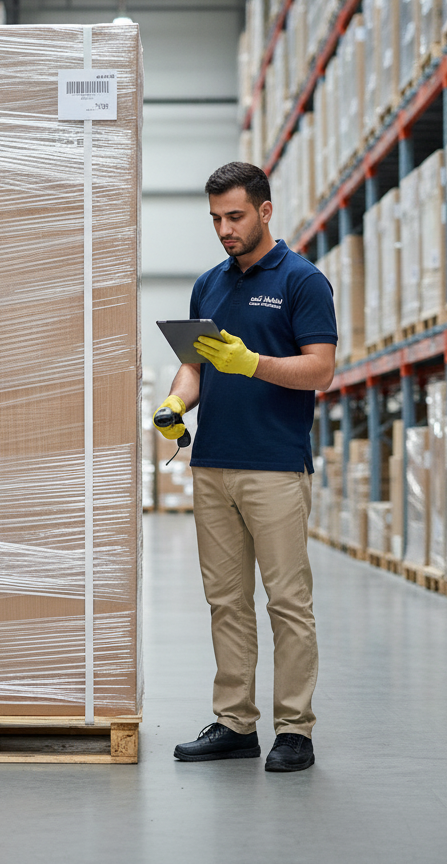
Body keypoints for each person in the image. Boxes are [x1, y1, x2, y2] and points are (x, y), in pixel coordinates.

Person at [155, 161, 337, 773]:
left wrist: (252, 362)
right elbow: (196, 366)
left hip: (275, 466)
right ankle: (235, 722)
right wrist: (176, 400)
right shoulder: (208, 285)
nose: (223, 229)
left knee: (287, 600)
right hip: (212, 464)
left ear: (263, 211)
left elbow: (320, 370)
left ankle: (295, 730)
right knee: (226, 600)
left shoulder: (303, 281)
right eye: (214, 219)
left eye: (233, 216)